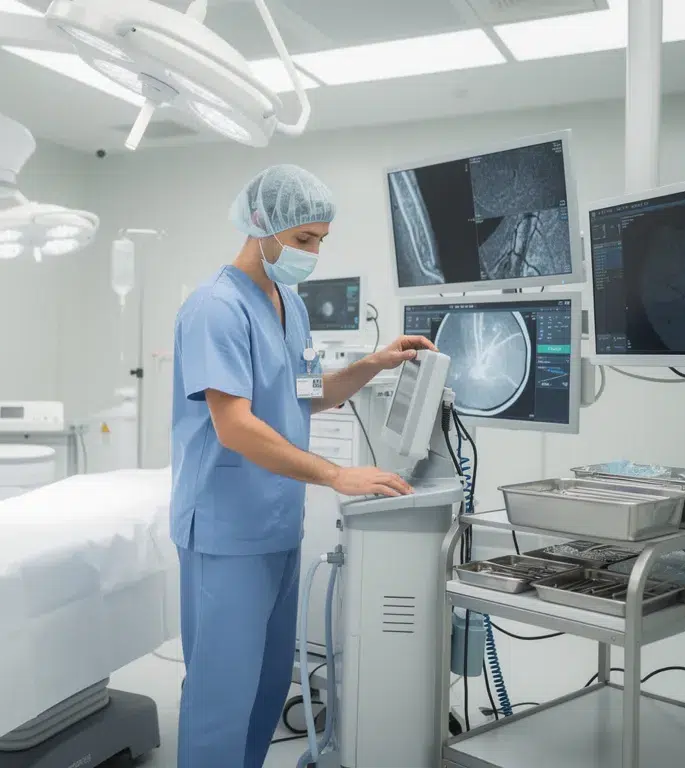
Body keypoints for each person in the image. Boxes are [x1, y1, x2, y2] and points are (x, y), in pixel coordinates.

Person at [169, 164, 438, 767]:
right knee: (221, 694)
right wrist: (336, 475)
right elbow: (233, 424)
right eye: (304, 240)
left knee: (267, 688)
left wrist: (376, 362)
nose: (313, 253)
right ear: (260, 225)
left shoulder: (289, 302)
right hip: (225, 529)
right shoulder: (214, 308)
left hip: (275, 523)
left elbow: (309, 391)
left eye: (319, 240)